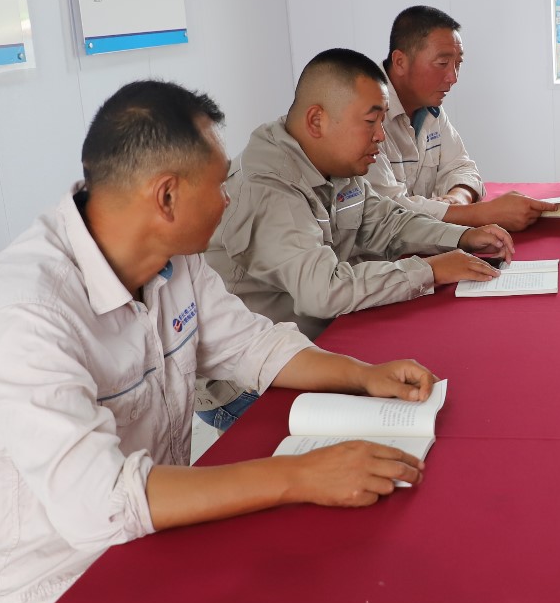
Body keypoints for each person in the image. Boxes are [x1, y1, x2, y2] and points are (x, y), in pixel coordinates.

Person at [0, 80, 438, 603]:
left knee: (327, 583)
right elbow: (102, 505)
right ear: (166, 197)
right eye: (219, 185)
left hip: (146, 541)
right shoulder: (28, 316)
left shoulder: (171, 261)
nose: (228, 200)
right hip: (48, 592)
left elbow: (250, 344)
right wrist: (300, 474)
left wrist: (361, 376)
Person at [202, 48, 512, 428]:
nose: (381, 136)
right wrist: (430, 270)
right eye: (370, 121)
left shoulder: (331, 160)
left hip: (313, 343)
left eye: (382, 120)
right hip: (249, 381)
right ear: (317, 120)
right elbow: (323, 291)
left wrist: (460, 238)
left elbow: (387, 222)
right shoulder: (267, 187)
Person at [366, 5, 554, 231]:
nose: (453, 77)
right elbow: (386, 211)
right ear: (400, 62)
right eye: (443, 64)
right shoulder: (365, 114)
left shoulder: (429, 107)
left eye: (458, 64)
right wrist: (481, 214)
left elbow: (462, 167)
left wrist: (458, 198)